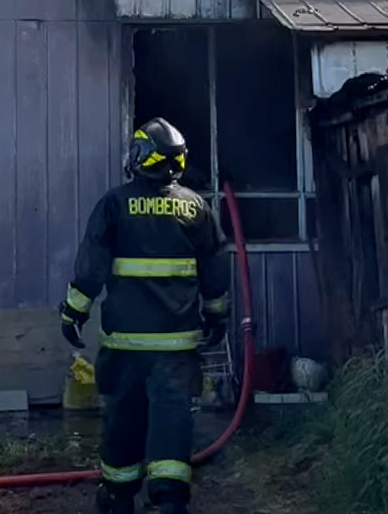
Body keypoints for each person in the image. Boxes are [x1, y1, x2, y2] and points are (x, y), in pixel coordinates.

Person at [61, 118, 231, 514]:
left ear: (142, 156)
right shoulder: (195, 207)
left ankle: (118, 497)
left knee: (125, 416)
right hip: (177, 344)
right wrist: (217, 315)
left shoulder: (115, 204)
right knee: (173, 417)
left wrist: (73, 313)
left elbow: (91, 266)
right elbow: (215, 266)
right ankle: (170, 500)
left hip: (126, 344)